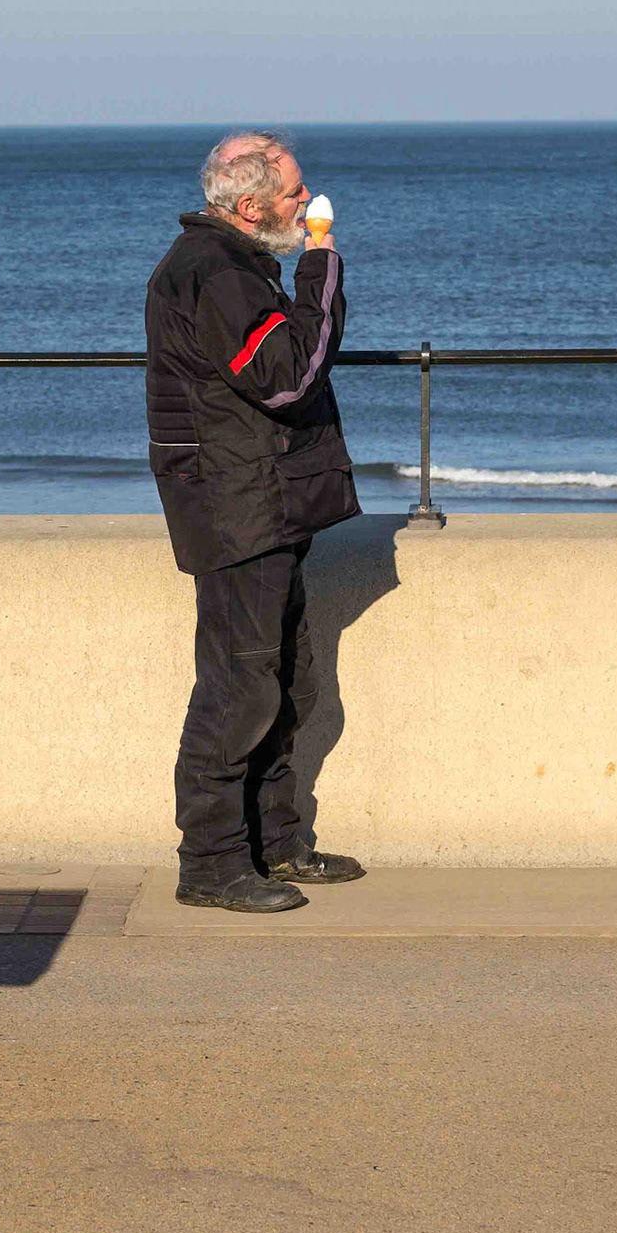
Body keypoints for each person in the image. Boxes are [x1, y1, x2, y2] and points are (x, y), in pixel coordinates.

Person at [144, 129, 367, 912]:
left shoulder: (229, 267)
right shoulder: (214, 274)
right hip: (236, 508)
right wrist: (322, 267)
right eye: (295, 193)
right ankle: (209, 861)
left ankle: (276, 843)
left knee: (281, 682)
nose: (307, 202)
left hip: (259, 504)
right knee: (238, 689)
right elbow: (287, 376)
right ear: (250, 206)